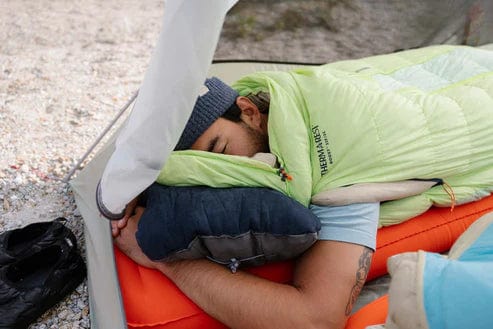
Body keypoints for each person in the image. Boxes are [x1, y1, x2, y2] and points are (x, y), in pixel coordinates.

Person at [113, 77, 378, 329]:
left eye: (219, 152)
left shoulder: (337, 164)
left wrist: (166, 259)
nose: (221, 176)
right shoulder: (242, 119)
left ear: (249, 111)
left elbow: (316, 320)